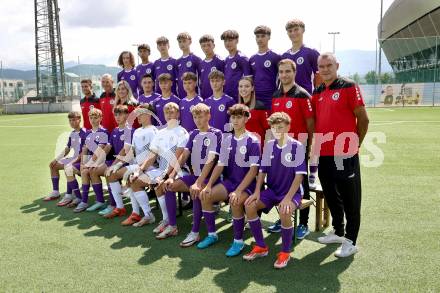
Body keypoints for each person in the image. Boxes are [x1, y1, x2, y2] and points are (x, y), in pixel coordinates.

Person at [311, 52, 369, 257]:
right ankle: (338, 231)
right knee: (330, 194)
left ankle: (351, 241)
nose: (325, 69)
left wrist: (355, 144)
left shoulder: (348, 85)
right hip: (324, 153)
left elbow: (363, 119)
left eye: (329, 65)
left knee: (351, 198)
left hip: (345, 153)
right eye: (322, 66)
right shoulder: (317, 91)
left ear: (337, 65)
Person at [243, 112, 307, 269]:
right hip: (272, 191)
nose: (277, 130)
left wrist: (287, 199)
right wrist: (257, 192)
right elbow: (262, 172)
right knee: (249, 205)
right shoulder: (269, 146)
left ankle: (285, 252)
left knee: (285, 210)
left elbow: (299, 177)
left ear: (288, 127)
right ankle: (261, 246)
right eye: (274, 127)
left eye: (281, 127)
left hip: (292, 193)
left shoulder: (297, 147)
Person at [198, 104, 261, 256]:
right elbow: (220, 165)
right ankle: (212, 234)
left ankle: (238, 241)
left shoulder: (253, 141)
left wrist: (239, 190)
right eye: (233, 117)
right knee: (205, 195)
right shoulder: (227, 140)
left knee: (236, 200)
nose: (236, 120)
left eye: (239, 117)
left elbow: (253, 171)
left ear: (246, 118)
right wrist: (209, 185)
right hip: (230, 183)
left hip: (247, 185)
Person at [161, 103, 222, 244]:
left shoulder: (216, 133)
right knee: (169, 186)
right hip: (195, 177)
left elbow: (211, 160)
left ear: (208, 116)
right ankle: (172, 226)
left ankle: (195, 232)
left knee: (195, 191)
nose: (198, 120)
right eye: (195, 117)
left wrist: (198, 182)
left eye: (200, 116)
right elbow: (183, 157)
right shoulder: (193, 133)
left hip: (211, 179)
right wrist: (171, 176)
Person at [268, 59, 314, 239]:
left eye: (288, 71)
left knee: (302, 185)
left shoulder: (302, 94)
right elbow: (274, 124)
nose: (284, 75)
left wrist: (310, 148)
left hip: (299, 147)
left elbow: (311, 124)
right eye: (281, 72)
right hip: (280, 147)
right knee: (281, 184)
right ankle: (283, 218)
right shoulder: (276, 94)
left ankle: (303, 223)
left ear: (294, 73)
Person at [128, 102, 189, 236]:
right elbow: (152, 155)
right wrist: (140, 169)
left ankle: (167, 220)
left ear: (178, 114)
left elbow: (178, 157)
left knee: (159, 184)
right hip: (161, 170)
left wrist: (165, 175)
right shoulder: (160, 133)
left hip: (177, 171)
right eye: (167, 112)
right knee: (135, 181)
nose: (169, 114)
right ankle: (148, 215)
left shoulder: (182, 132)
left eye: (172, 112)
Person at [282, 19, 321, 190]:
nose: (293, 33)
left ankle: (312, 172)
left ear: (302, 30)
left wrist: (317, 99)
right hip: (290, 103)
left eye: (296, 29)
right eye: (290, 30)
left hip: (307, 101)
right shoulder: (285, 55)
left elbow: (319, 77)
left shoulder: (311, 53)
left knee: (312, 137)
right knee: (293, 140)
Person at [105, 103, 158, 221]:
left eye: (140, 113)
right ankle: (121, 208)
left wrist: (140, 169)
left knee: (131, 178)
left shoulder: (154, 131)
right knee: (112, 173)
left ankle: (139, 213)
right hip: (137, 165)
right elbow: (131, 152)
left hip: (151, 167)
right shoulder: (137, 131)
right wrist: (118, 164)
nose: (137, 116)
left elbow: (153, 155)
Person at [87, 105, 134, 213]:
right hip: (115, 161)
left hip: (126, 162)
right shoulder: (115, 131)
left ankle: (113, 204)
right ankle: (100, 201)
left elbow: (124, 151)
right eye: (116, 115)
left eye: (121, 114)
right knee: (92, 170)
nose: (117, 117)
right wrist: (97, 162)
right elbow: (108, 148)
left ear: (127, 115)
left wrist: (113, 165)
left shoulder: (129, 130)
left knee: (108, 172)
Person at [43, 111, 87, 203]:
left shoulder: (85, 133)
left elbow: (83, 153)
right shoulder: (72, 133)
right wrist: (56, 159)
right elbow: (67, 149)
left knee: (68, 168)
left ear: (79, 120)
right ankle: (56, 192)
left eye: (74, 120)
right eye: (70, 120)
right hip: (74, 159)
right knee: (53, 165)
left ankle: (70, 195)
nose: (72, 122)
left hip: (83, 160)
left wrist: (71, 162)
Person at [73, 108, 109, 213]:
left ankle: (96, 201)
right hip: (90, 161)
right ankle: (85, 201)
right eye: (91, 118)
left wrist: (89, 164)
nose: (93, 120)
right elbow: (85, 149)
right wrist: (83, 164)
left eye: (95, 117)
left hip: (102, 161)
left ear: (100, 118)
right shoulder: (88, 132)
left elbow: (100, 150)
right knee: (83, 171)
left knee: (87, 171)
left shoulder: (104, 131)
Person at [249, 25, 281, 110]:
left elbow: (282, 76)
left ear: (269, 37)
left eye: (263, 36)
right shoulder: (252, 59)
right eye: (257, 36)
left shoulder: (276, 56)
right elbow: (250, 80)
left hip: (271, 97)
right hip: (256, 98)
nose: (260, 39)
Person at [238, 76, 270, 146]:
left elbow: (268, 131)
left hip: (257, 148)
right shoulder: (237, 108)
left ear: (252, 88)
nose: (243, 89)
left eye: (247, 86)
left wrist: (266, 150)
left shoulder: (259, 106)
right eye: (241, 86)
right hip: (242, 149)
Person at [221, 30, 251, 102]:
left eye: (230, 40)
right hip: (227, 97)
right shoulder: (226, 60)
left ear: (237, 41)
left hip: (239, 98)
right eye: (225, 41)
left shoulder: (242, 58)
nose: (227, 43)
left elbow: (249, 80)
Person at [176, 32, 202, 99]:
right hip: (181, 96)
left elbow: (200, 79)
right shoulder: (178, 61)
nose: (182, 44)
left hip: (194, 97)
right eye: (180, 42)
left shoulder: (196, 59)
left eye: (184, 41)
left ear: (190, 42)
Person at [198, 34, 225, 99]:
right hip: (204, 98)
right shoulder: (201, 64)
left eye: (208, 45)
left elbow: (224, 81)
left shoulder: (220, 61)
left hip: (217, 98)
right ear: (201, 47)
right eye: (203, 46)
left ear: (213, 45)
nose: (206, 48)